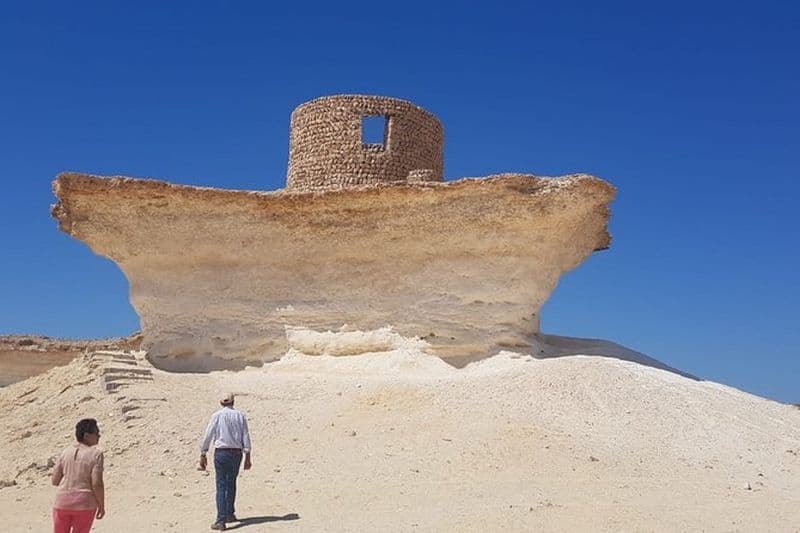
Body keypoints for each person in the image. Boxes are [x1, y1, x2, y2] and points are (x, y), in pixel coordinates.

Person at [199, 392, 252, 531]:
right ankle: (229, 513)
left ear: (221, 402)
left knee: (221, 486)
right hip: (236, 453)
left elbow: (208, 434)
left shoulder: (216, 416)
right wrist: (248, 456)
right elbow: (245, 435)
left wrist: (203, 453)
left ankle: (220, 520)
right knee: (232, 482)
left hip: (221, 453)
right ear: (233, 402)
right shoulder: (240, 415)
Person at [50, 418, 106, 533]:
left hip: (62, 502)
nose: (99, 436)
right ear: (86, 435)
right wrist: (101, 505)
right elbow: (97, 483)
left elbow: (55, 480)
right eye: (96, 433)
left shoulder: (65, 452)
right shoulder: (96, 454)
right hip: (84, 503)